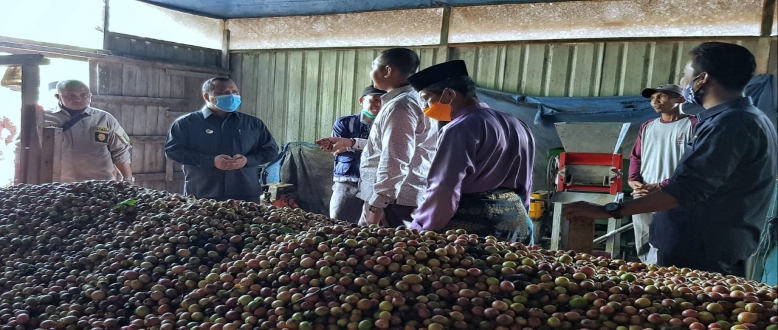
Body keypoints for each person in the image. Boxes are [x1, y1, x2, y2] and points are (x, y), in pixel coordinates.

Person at [564, 42, 778, 276]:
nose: (684, 83)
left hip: (698, 249)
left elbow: (688, 188)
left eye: (685, 75)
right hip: (705, 244)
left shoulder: (730, 123)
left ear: (702, 78)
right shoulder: (746, 118)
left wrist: (610, 210)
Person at [408, 60, 536, 243]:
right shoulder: (517, 124)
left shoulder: (459, 128)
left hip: (475, 224)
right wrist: (522, 214)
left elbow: (444, 187)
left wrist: (423, 228)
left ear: (449, 94)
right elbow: (527, 181)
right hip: (517, 219)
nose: (426, 107)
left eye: (427, 98)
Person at [316, 48, 437, 227]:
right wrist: (351, 143)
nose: (371, 72)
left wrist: (378, 203)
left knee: (382, 251)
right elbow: (391, 146)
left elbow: (395, 158)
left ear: (387, 71)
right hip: (394, 198)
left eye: (374, 66)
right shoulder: (413, 100)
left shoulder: (400, 107)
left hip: (392, 202)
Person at [165, 77, 278, 201]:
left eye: (235, 92)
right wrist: (211, 161)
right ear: (207, 97)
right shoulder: (186, 123)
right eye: (223, 93)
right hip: (203, 193)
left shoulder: (253, 124)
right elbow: (173, 151)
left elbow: (271, 150)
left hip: (246, 192)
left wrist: (247, 160)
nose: (231, 96)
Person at [628, 84, 697, 264]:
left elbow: (694, 163)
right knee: (643, 238)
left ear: (681, 99)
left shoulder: (693, 124)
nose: (655, 101)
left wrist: (662, 185)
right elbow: (636, 156)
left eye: (662, 96)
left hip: (672, 193)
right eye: (652, 98)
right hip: (644, 191)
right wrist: (633, 180)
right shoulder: (647, 126)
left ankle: (662, 277)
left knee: (667, 241)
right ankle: (646, 273)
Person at [38, 80, 134, 183]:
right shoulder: (43, 118)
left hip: (101, 186)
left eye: (84, 95)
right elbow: (22, 150)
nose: (78, 99)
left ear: (90, 95)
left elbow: (120, 151)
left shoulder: (105, 118)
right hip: (57, 185)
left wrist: (128, 179)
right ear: (58, 97)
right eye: (71, 95)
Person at [328, 85, 386, 223]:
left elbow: (387, 150)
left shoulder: (388, 124)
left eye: (383, 100)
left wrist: (349, 146)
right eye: (374, 99)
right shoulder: (344, 122)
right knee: (338, 223)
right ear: (361, 100)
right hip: (347, 181)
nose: (378, 104)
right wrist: (369, 149)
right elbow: (337, 150)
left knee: (369, 229)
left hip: (375, 184)